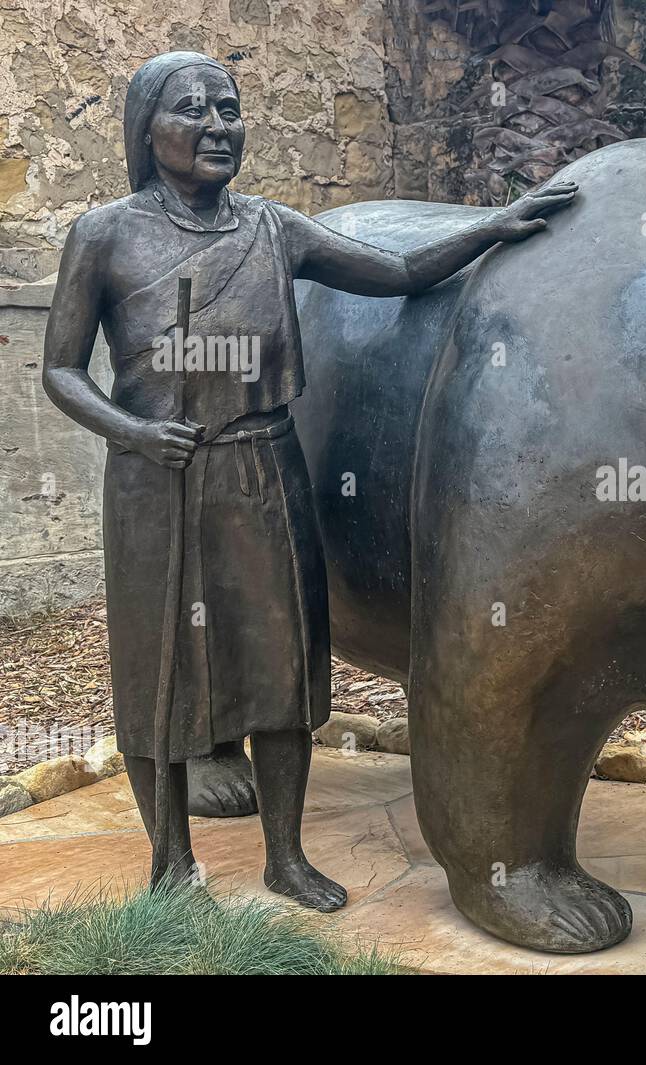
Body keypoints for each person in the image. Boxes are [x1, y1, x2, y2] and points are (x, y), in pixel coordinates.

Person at [42, 51, 576, 911]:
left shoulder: (272, 228)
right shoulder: (103, 235)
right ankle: (170, 865)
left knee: (281, 668)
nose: (219, 125)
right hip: (154, 479)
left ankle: (284, 857)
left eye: (231, 108)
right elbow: (61, 372)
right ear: (149, 131)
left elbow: (396, 272)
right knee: (156, 673)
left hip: (263, 469)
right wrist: (136, 432)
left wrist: (493, 226)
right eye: (194, 110)